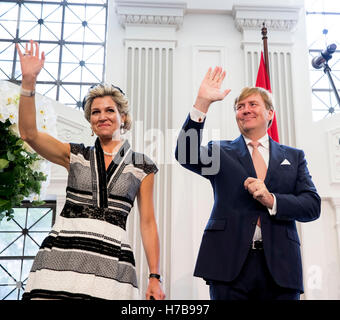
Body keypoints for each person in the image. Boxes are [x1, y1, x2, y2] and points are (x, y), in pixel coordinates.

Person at [16, 40, 165, 300]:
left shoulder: (142, 166)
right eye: (95, 112)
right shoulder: (75, 155)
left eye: (110, 110)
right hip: (61, 259)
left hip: (112, 263)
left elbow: (148, 223)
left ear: (123, 117)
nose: (102, 116)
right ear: (90, 121)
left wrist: (154, 277)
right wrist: (28, 83)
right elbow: (29, 134)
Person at [175, 66, 321, 300]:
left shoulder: (294, 157)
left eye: (252, 104)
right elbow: (185, 154)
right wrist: (201, 103)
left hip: (281, 268)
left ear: (270, 113)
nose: (245, 110)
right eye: (239, 107)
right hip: (228, 266)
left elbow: (312, 206)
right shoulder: (220, 151)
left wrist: (272, 200)